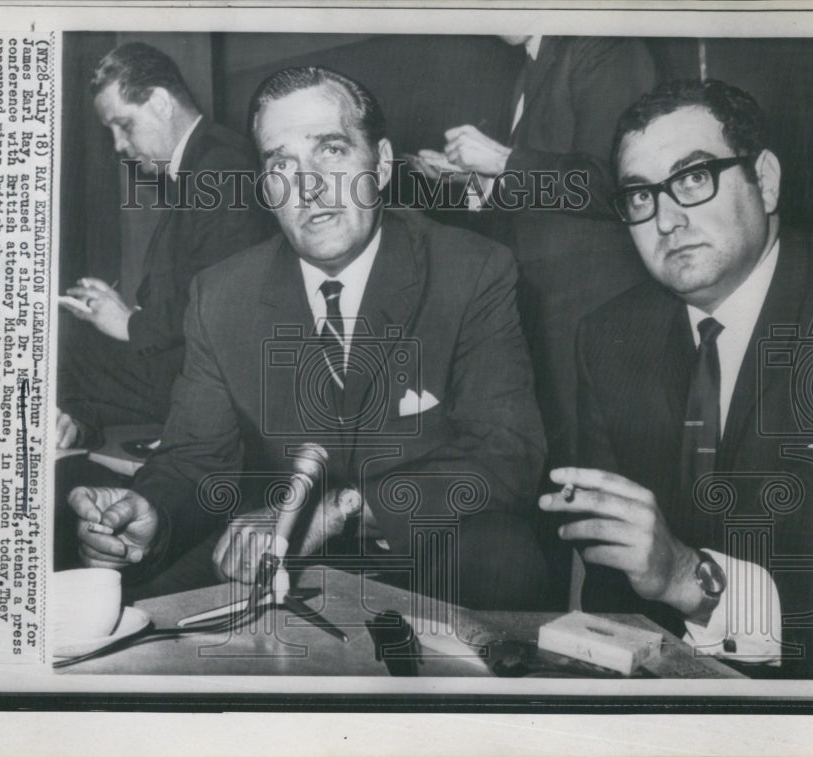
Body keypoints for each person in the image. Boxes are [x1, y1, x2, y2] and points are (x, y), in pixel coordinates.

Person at [66, 66, 548, 610]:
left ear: (382, 165)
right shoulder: (221, 295)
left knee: (506, 562)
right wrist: (152, 515)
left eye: (333, 150)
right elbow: (194, 461)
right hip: (273, 556)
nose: (308, 186)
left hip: (426, 547)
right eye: (281, 164)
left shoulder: (473, 271)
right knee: (140, 620)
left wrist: (340, 511)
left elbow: (507, 457)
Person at [541, 79, 813, 677]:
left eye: (693, 178)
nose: (666, 219)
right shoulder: (609, 336)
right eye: (640, 196)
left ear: (765, 181)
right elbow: (610, 590)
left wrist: (689, 579)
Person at [421, 36, 656, 469]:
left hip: (593, 310)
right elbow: (547, 197)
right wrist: (471, 183)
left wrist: (503, 160)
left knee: (600, 466)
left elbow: (616, 183)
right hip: (548, 311)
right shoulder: (533, 61)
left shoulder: (601, 40)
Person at [57, 42, 269, 447]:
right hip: (196, 369)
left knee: (63, 343)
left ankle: (73, 428)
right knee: (74, 345)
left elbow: (223, 314)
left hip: (216, 386)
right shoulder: (208, 161)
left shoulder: (219, 167)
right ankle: (74, 425)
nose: (119, 145)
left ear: (158, 102)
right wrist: (128, 314)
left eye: (125, 125)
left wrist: (129, 323)